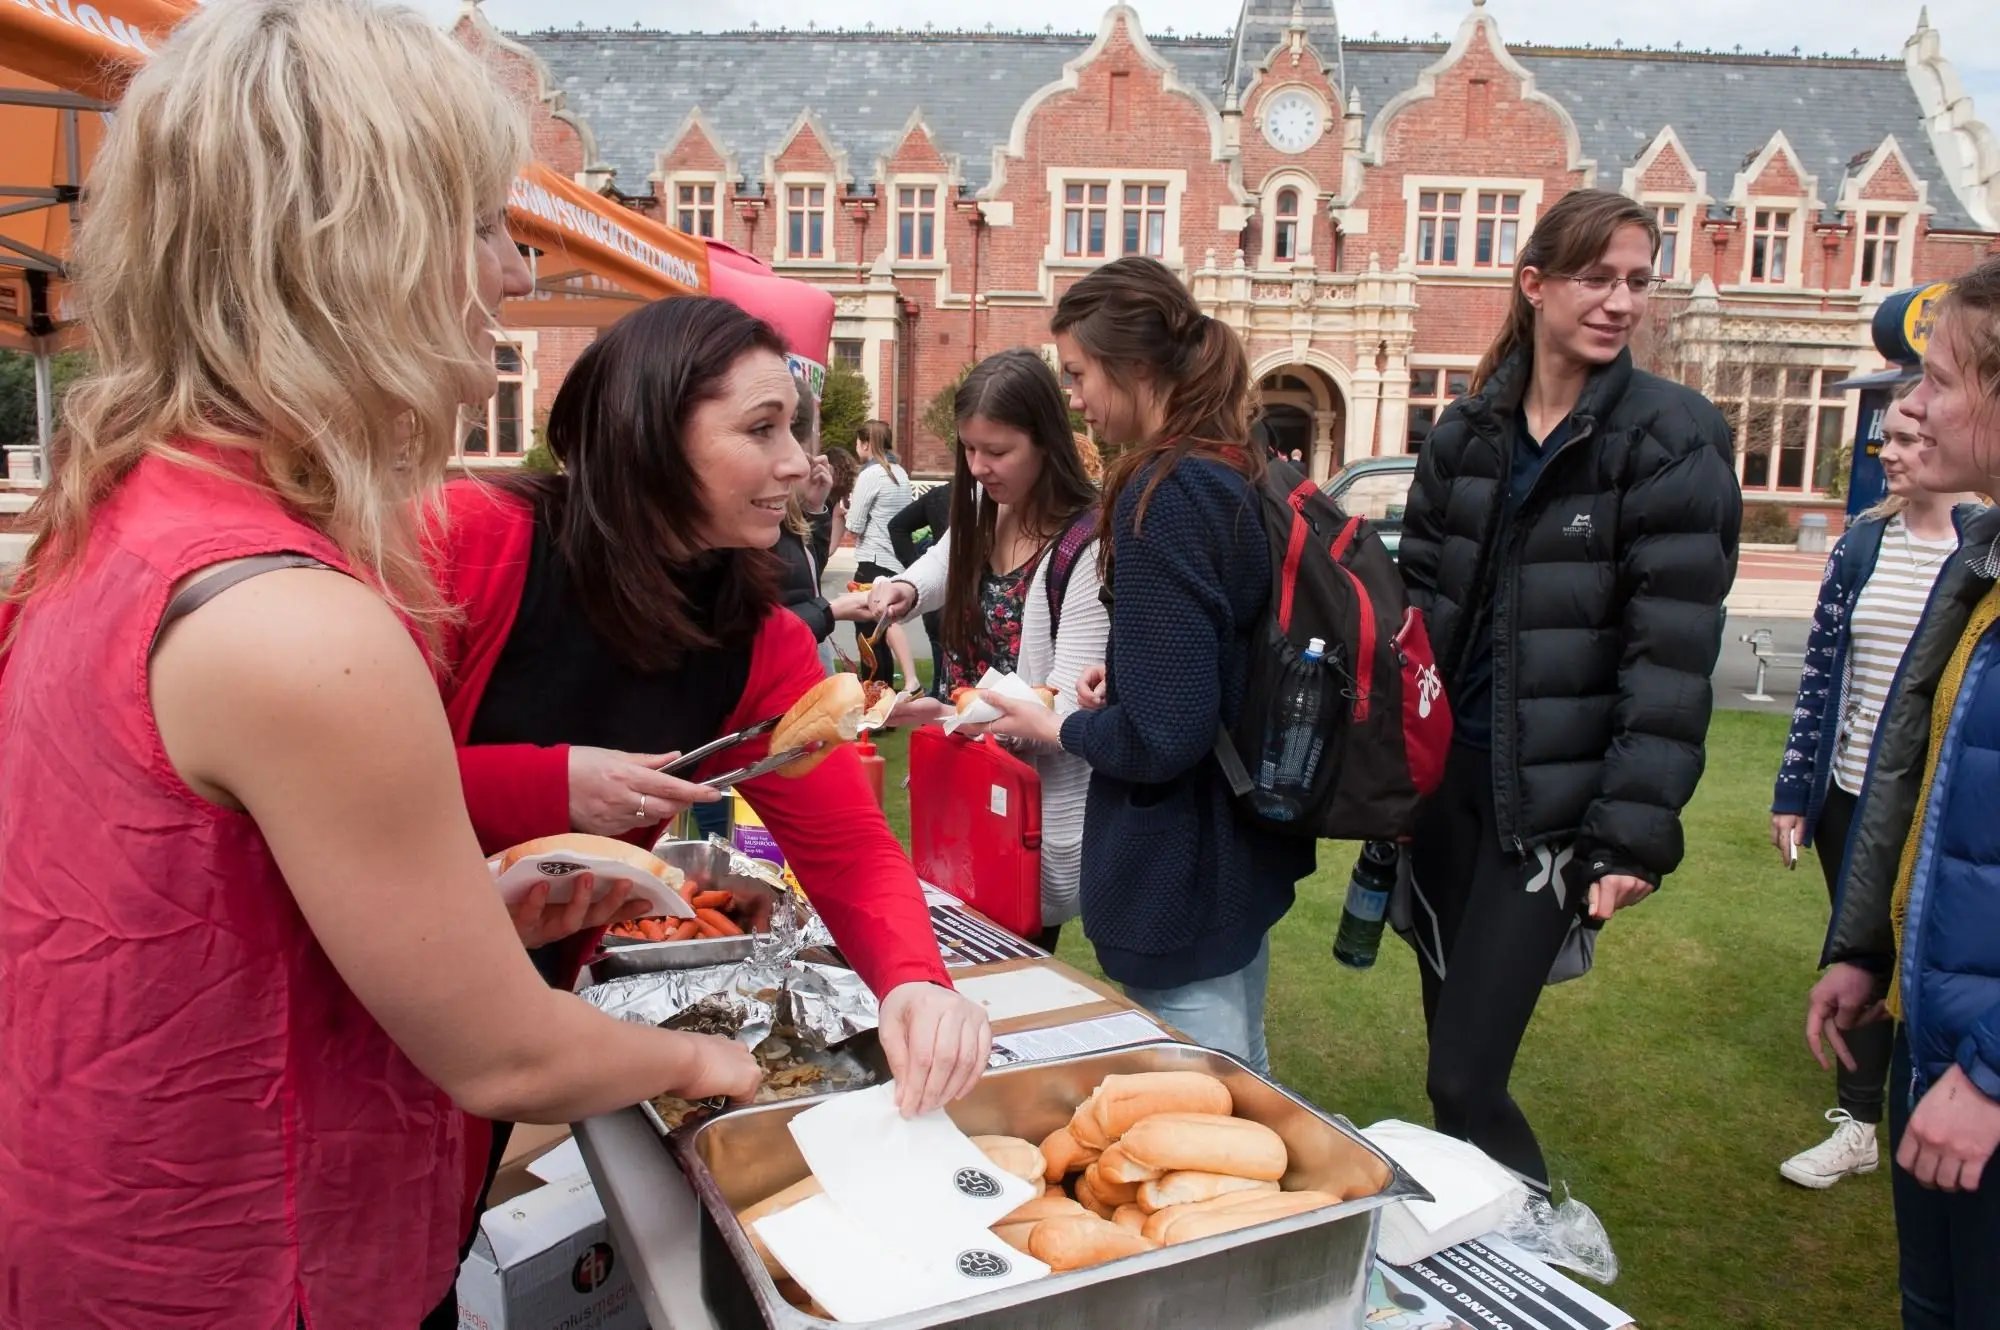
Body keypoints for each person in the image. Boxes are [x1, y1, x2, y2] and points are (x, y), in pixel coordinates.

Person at [0, 4, 761, 1325]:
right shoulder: (295, 619)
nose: (512, 276)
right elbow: (506, 1055)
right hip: (251, 1274)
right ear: (355, 248)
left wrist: (458, 911)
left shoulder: (117, 522)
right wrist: (738, 1064)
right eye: (479, 226)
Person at [429, 296, 992, 1313]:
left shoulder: (759, 636)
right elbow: (326, 775)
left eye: (799, 431)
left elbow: (850, 851)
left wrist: (910, 979)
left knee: (423, 1260)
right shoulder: (475, 541)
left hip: (511, 1017)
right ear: (648, 431)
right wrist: (545, 784)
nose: (798, 465)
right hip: (341, 1005)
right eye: (760, 429)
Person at [1396, 188, 1741, 1187]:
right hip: (1444, 791)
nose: (1619, 301)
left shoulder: (1670, 437)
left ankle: (1535, 1240)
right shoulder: (1464, 432)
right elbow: (1414, 608)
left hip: (1547, 810)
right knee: (1447, 1067)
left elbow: (1668, 654)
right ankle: (1485, 1253)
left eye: (1637, 280)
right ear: (1533, 283)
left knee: (1464, 1076)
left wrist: (1629, 833)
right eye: (1595, 278)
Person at [980, 257, 1312, 1073]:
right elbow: (1212, 663)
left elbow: (1167, 736)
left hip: (1181, 870)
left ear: (1132, 369)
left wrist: (1059, 722)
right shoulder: (1232, 465)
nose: (1075, 396)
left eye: (1079, 373)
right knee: (1246, 1074)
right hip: (1235, 854)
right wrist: (1125, 679)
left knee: (1207, 1107)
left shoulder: (1162, 492)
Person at [1811, 257, 2000, 1328]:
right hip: (1937, 1050)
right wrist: (1862, 949)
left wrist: (1988, 1076)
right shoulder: (1981, 560)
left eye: (1935, 378)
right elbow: (1924, 786)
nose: (1909, 404)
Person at [1772, 386, 1978, 1189]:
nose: (1886, 454)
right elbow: (1822, 678)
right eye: (1880, 440)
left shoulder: (1980, 547)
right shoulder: (1861, 545)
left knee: (1935, 964)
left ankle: (1949, 1106)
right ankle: (1860, 1122)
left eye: (1902, 437)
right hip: (1852, 798)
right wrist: (1795, 789)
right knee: (1862, 956)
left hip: (1943, 804)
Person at [868, 349, 1108, 950]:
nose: (978, 467)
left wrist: (955, 718)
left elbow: (1063, 711)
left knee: (1010, 958)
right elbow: (946, 561)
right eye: (969, 449)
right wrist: (902, 590)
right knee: (950, 941)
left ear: (1047, 442)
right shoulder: (984, 503)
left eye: (997, 451)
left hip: (1030, 801)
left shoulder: (1087, 542)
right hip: (966, 773)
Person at [846, 419, 918, 687]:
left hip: (872, 559)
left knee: (867, 634)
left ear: (866, 443)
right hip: (894, 562)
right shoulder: (900, 472)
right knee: (883, 632)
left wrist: (844, 514)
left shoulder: (870, 475)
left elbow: (854, 525)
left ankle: (873, 696)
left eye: (857, 442)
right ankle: (884, 694)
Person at [890, 471, 953, 698]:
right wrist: (914, 574)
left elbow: (897, 527)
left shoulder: (941, 495)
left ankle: (939, 692)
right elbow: (897, 526)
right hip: (942, 593)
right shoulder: (944, 496)